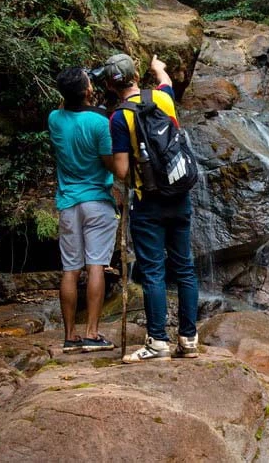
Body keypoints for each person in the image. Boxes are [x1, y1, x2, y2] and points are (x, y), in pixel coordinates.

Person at [106, 53, 200, 362]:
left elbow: (121, 170)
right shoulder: (163, 99)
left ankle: (158, 341)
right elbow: (166, 82)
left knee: (153, 271)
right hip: (179, 194)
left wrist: (103, 157)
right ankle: (188, 340)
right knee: (184, 267)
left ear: (110, 85)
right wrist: (158, 68)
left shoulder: (120, 117)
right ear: (135, 74)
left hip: (148, 202)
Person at [48, 67, 118, 353]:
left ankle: (69, 336)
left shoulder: (54, 119)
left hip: (68, 203)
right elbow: (112, 164)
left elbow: (64, 106)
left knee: (70, 269)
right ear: (88, 92)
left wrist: (78, 93)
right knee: (96, 265)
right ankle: (91, 332)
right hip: (97, 201)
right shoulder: (99, 124)